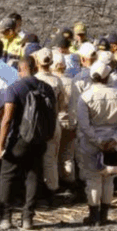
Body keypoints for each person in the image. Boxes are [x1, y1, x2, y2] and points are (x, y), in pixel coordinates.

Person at [0, 57, 55, 231]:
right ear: (35, 68)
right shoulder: (47, 88)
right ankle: (28, 218)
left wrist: (0, 145)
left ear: (20, 70)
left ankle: (6, 218)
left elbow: (7, 119)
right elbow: (53, 114)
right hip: (39, 139)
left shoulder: (14, 88)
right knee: (33, 176)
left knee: (7, 175)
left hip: (19, 139)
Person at [76, 60, 117, 226]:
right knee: (109, 180)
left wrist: (97, 141)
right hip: (113, 142)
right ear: (108, 77)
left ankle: (93, 216)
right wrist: (115, 139)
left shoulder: (85, 97)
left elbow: (84, 125)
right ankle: (104, 215)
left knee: (93, 179)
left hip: (91, 142)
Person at [31, 48, 66, 206]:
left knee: (37, 159)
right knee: (51, 159)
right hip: (54, 122)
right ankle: (52, 190)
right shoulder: (57, 81)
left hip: (38, 124)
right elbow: (62, 103)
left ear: (37, 62)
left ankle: (39, 192)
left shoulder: (34, 80)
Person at [51, 49, 79, 186]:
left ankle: (57, 185)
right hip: (72, 122)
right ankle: (70, 182)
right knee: (68, 156)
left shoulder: (54, 82)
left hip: (57, 123)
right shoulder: (73, 82)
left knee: (54, 156)